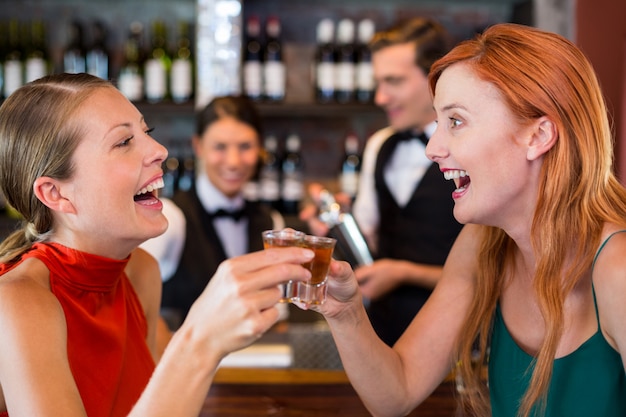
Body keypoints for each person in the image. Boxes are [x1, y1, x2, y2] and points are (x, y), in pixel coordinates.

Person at [298, 23, 626, 417]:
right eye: (438, 124)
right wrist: (345, 312)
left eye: (455, 121)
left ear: (538, 136)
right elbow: (396, 392)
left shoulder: (617, 269)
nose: (434, 148)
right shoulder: (483, 242)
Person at [0, 73, 314, 417]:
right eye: (123, 142)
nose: (159, 151)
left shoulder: (141, 272)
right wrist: (199, 339)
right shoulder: (17, 301)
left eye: (145, 133)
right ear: (55, 194)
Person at [302, 17, 463, 346]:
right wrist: (335, 226)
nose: (380, 97)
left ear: (435, 76)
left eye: (393, 81)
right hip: (385, 333)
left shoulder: (471, 147)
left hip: (460, 334)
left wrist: (405, 273)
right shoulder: (380, 145)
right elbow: (369, 241)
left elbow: (498, 268)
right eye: (378, 82)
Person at [141, 95, 285, 329]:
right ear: (198, 146)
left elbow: (279, 316)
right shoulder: (171, 218)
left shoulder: (271, 222)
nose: (233, 161)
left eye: (245, 146)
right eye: (220, 147)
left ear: (259, 147)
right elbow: (130, 298)